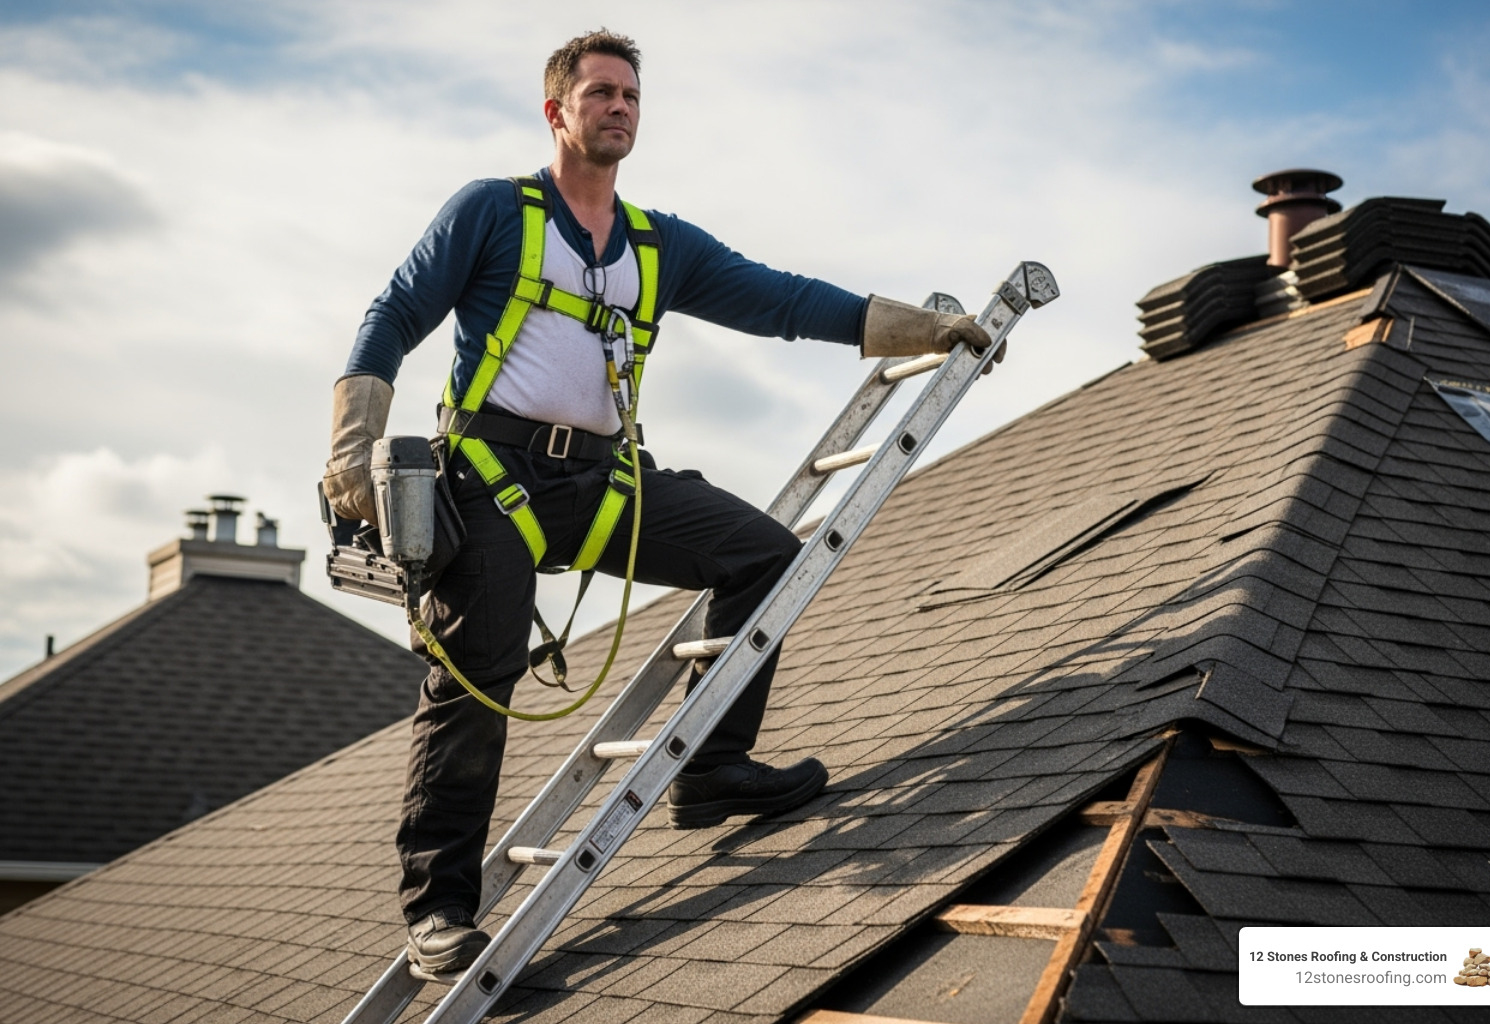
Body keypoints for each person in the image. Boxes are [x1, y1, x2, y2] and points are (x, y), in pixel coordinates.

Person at [322, 29, 995, 976]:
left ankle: (712, 768)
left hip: (603, 481)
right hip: (491, 479)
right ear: (556, 110)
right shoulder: (490, 213)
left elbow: (781, 299)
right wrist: (353, 441)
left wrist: (923, 328)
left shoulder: (657, 244)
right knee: (474, 682)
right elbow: (392, 313)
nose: (620, 108)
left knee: (766, 556)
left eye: (631, 96)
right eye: (599, 93)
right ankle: (438, 911)